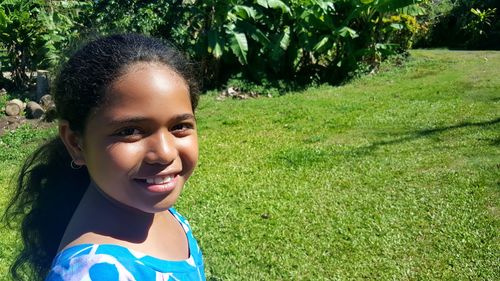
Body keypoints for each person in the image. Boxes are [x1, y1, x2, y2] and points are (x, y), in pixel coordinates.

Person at [3, 33, 205, 281]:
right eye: (129, 131)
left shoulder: (150, 210)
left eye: (179, 126)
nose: (164, 153)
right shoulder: (92, 274)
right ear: (75, 143)